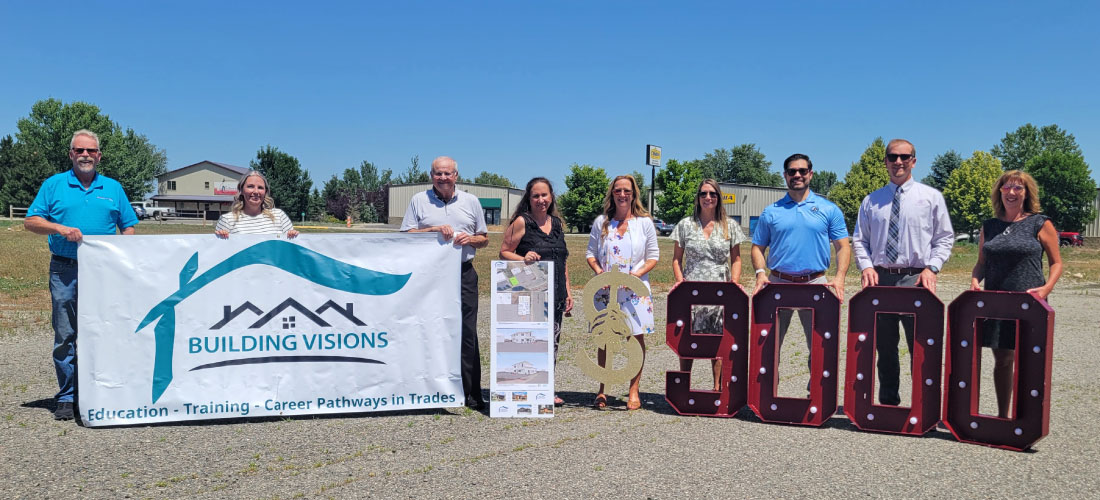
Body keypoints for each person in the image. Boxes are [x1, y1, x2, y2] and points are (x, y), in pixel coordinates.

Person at [25, 129, 139, 420]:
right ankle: (67, 396)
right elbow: (31, 222)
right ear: (71, 155)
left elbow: (128, 226)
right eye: (79, 151)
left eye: (90, 151)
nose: (85, 155)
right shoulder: (54, 185)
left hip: (104, 272)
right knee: (66, 334)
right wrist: (59, 228)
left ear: (99, 155)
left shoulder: (113, 188)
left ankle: (104, 390)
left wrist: (125, 252)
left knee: (106, 330)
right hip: (65, 268)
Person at [852, 139, 954, 406]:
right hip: (882, 279)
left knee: (920, 347)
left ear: (914, 161)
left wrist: (932, 267)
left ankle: (923, 407)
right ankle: (888, 404)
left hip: (916, 278)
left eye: (904, 157)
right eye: (893, 157)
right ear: (885, 161)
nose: (898, 161)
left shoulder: (931, 198)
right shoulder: (872, 201)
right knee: (884, 347)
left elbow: (944, 238)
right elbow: (860, 240)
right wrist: (866, 266)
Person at [970, 170, 1063, 418]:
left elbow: (1056, 263)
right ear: (999, 192)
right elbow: (981, 263)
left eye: (1017, 188)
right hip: (996, 302)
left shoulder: (1040, 223)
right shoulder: (989, 227)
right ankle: (1003, 417)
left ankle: (1027, 419)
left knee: (1029, 361)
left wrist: (1046, 289)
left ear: (1026, 193)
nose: (1011, 192)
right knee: (1002, 360)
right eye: (1006, 187)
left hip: (1030, 302)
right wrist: (975, 280)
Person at [400, 156, 489, 410]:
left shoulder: (471, 201)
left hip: (463, 274)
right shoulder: (419, 200)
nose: (443, 178)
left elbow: (484, 239)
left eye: (447, 174)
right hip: (429, 276)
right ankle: (427, 389)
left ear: (456, 176)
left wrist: (470, 239)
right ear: (432, 176)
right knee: (428, 328)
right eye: (438, 174)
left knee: (467, 332)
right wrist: (432, 231)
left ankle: (471, 392)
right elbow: (405, 235)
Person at [751, 154, 850, 374]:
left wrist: (840, 276)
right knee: (768, 346)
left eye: (802, 171)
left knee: (820, 346)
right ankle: (766, 402)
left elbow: (843, 246)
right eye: (792, 171)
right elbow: (757, 247)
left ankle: (815, 400)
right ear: (785, 175)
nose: (797, 175)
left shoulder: (828, 209)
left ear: (810, 174)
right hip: (778, 282)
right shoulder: (771, 212)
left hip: (816, 283)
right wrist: (760, 273)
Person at [585, 175, 659, 410]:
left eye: (627, 190)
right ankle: (603, 389)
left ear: (634, 193)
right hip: (607, 290)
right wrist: (599, 273)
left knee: (635, 339)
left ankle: (633, 390)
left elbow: (653, 256)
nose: (622, 194)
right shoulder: (602, 222)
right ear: (612, 194)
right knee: (604, 338)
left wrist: (635, 276)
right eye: (618, 190)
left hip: (635, 291)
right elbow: (590, 254)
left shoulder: (644, 223)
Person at [499, 177, 574, 405]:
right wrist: (523, 258)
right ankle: (523, 390)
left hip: (557, 294)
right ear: (529, 199)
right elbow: (503, 252)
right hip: (530, 295)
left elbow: (563, 260)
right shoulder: (523, 222)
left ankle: (545, 389)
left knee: (551, 343)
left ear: (551, 197)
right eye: (536, 196)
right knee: (531, 343)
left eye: (544, 195)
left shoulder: (558, 224)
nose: (541, 200)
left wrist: (568, 292)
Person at [671, 179, 745, 391]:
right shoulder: (685, 225)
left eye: (712, 194)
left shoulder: (730, 226)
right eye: (703, 194)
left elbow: (737, 259)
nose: (708, 198)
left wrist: (734, 285)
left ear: (718, 197)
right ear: (698, 197)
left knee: (717, 339)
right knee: (687, 338)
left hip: (719, 289)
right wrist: (680, 283)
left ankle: (717, 388)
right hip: (690, 290)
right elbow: (677, 259)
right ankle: (684, 385)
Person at [214, 170, 300, 238]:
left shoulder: (279, 216)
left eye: (260, 188)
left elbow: (290, 250)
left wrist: (293, 236)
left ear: (265, 192)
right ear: (241, 190)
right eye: (250, 186)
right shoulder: (226, 220)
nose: (255, 191)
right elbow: (218, 253)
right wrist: (220, 238)